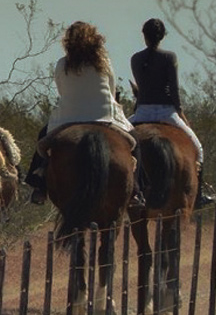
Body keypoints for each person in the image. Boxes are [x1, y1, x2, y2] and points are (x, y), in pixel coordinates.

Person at [25, 21, 143, 206]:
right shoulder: (104, 62)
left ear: (68, 42)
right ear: (95, 39)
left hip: (68, 118)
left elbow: (62, 91)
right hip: (104, 116)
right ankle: (135, 188)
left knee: (43, 136)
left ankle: (39, 185)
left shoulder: (62, 64)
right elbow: (112, 91)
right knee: (135, 141)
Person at [130, 18, 216, 208]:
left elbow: (142, 88)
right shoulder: (170, 57)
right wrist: (181, 113)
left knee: (122, 143)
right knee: (199, 149)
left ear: (144, 36)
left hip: (141, 113)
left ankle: (127, 192)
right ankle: (199, 195)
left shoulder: (135, 59)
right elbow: (174, 91)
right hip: (166, 113)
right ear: (162, 37)